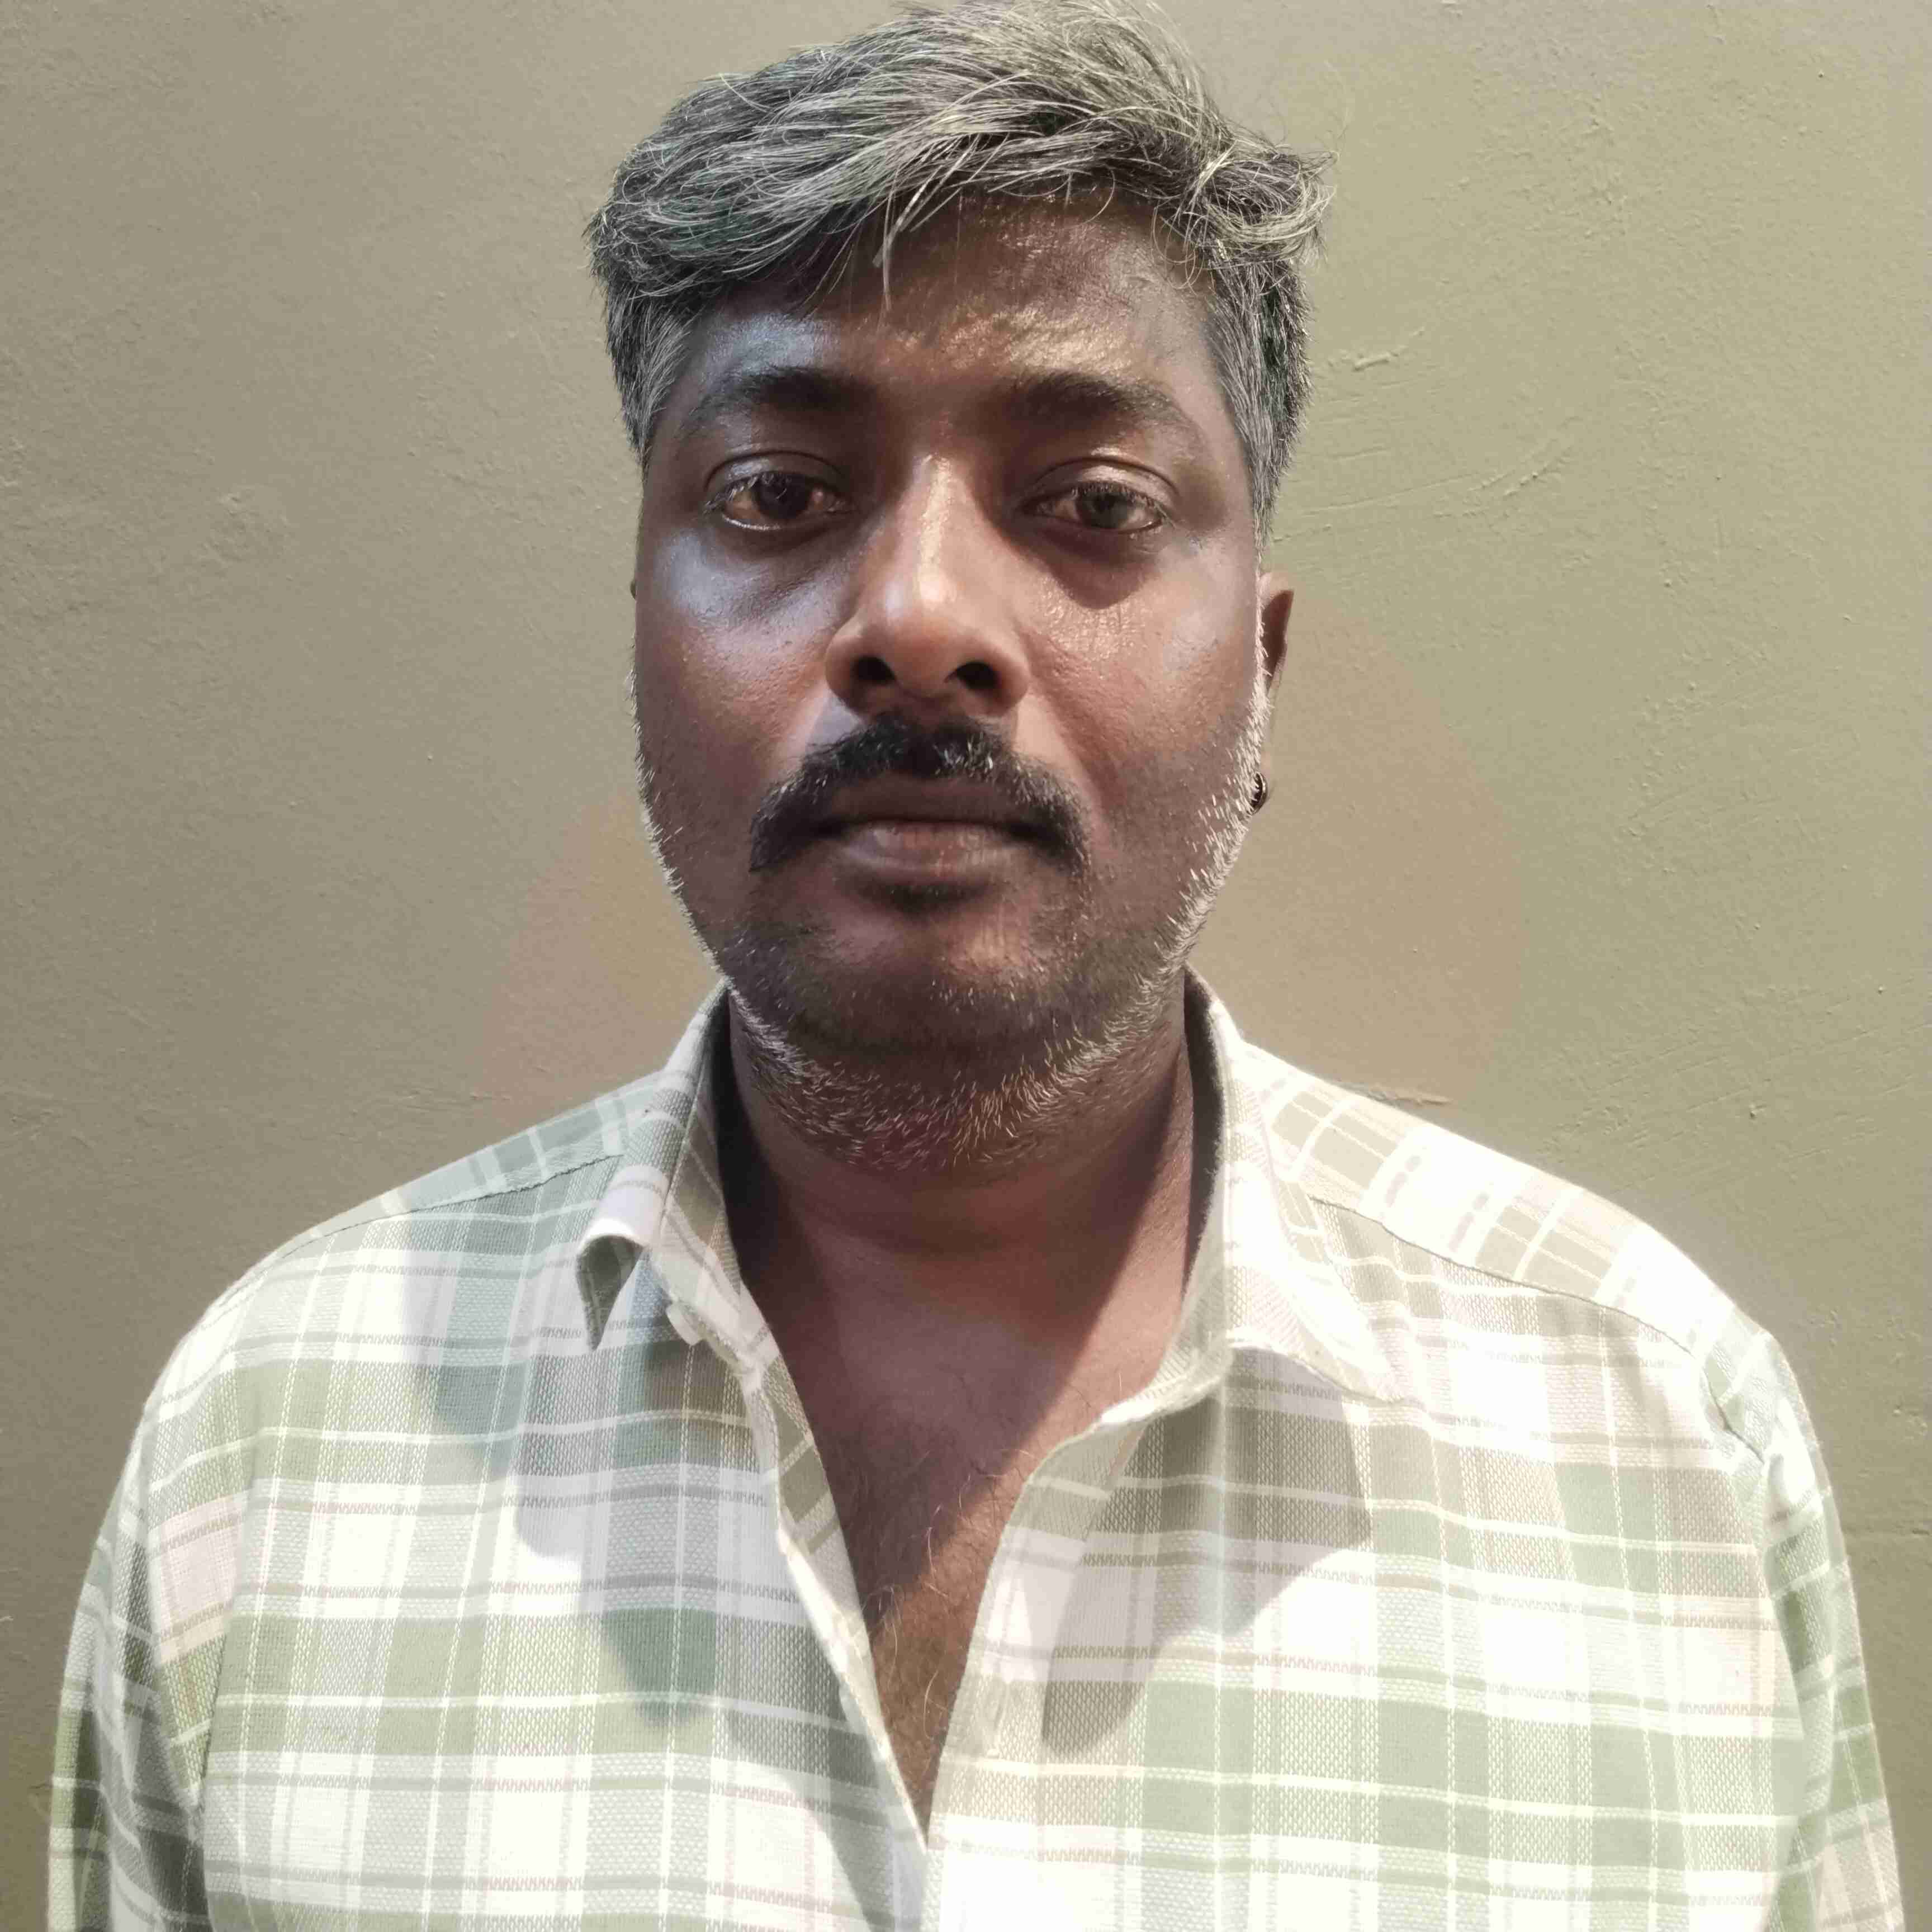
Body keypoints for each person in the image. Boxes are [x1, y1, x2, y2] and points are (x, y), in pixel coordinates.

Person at [48, 2, 1901, 1926]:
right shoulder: (270, 1436)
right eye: (779, 493)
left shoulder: (1660, 1436)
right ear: (643, 634)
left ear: (1261, 675)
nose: (923, 619)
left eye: (1092, 504)